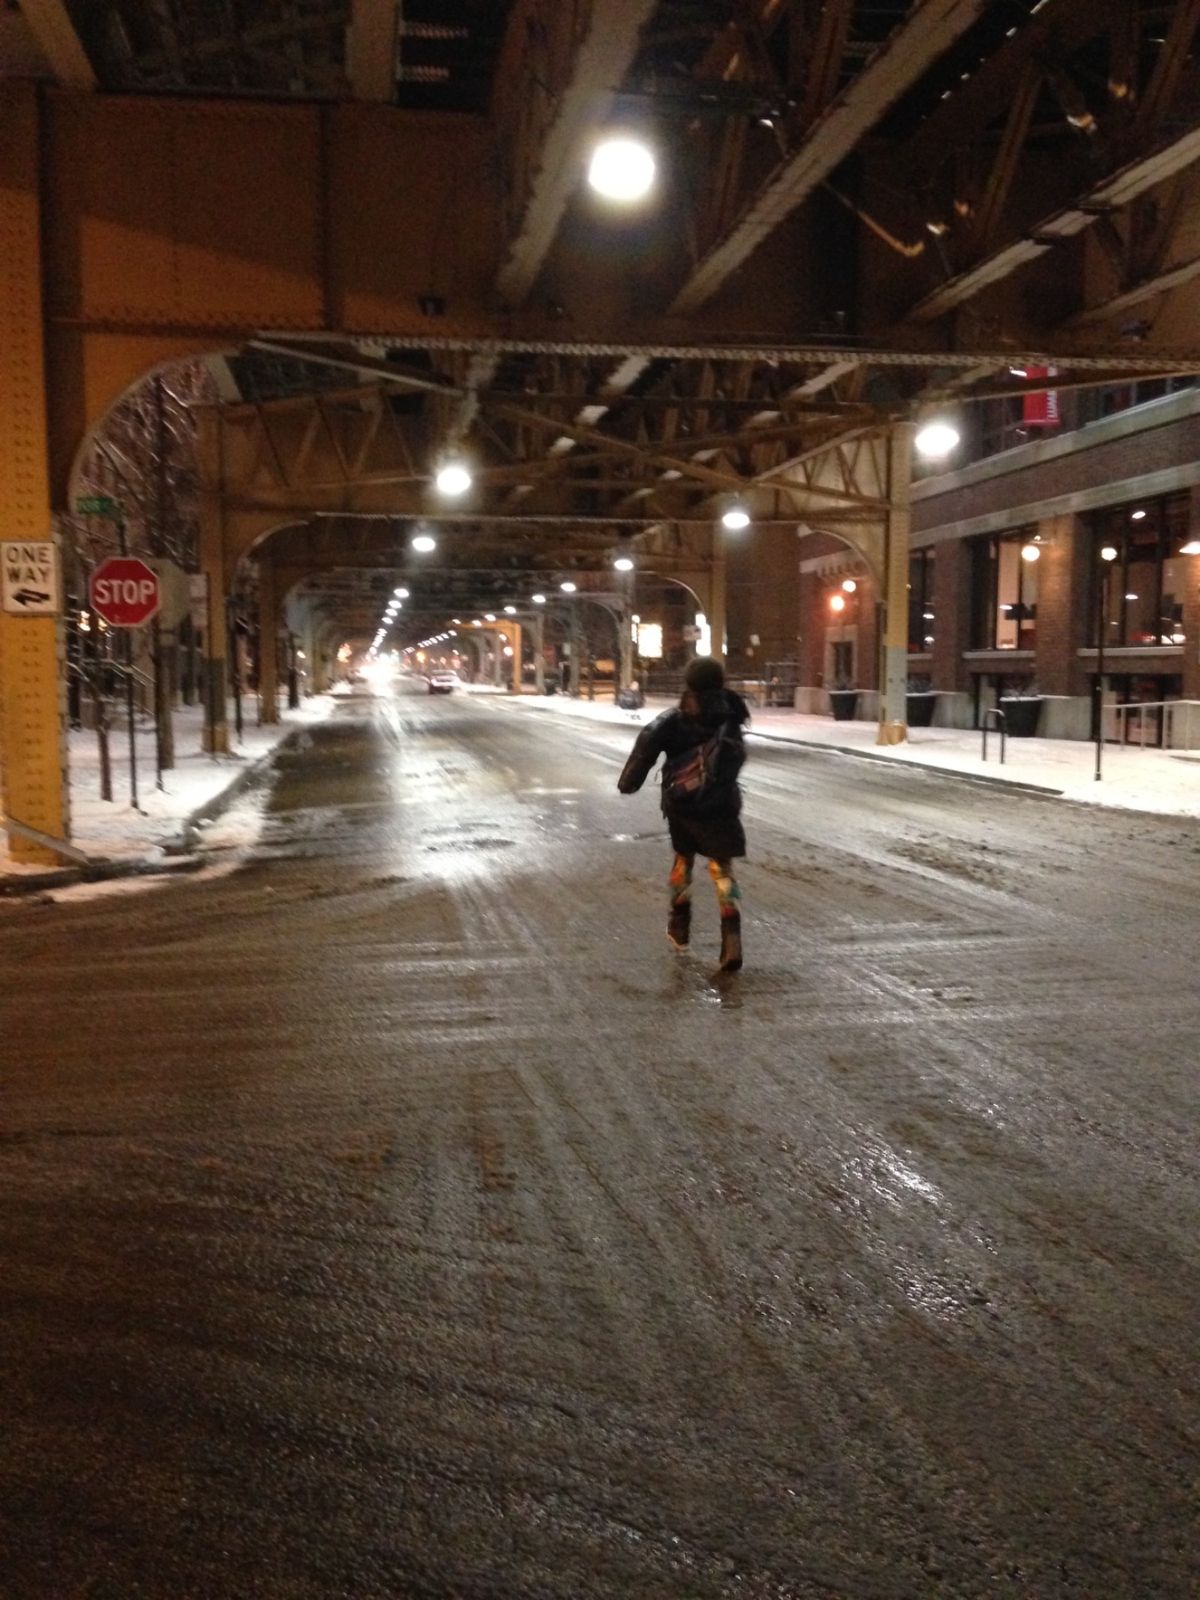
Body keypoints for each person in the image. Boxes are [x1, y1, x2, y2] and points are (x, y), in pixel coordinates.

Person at [618, 656, 750, 972]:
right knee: (723, 872)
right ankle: (731, 937)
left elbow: (642, 754)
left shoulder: (674, 720)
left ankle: (679, 926)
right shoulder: (732, 715)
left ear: (688, 684)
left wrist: (628, 783)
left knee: (683, 861)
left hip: (684, 810)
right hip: (723, 807)